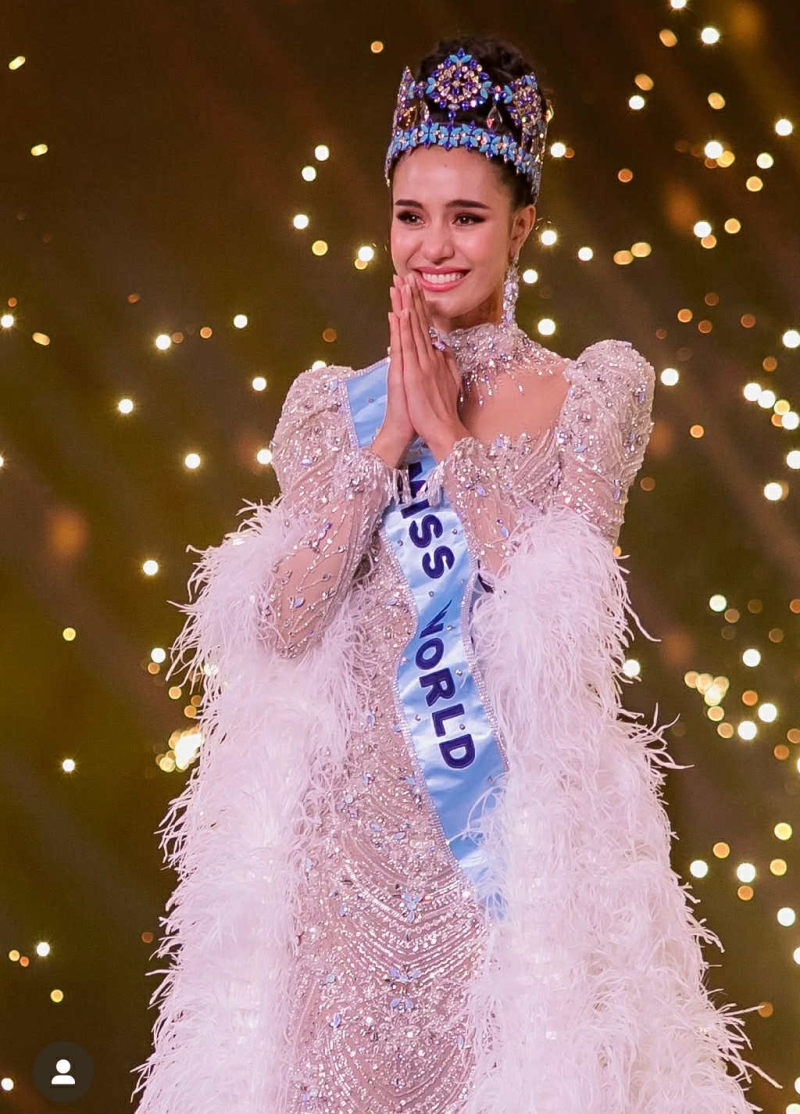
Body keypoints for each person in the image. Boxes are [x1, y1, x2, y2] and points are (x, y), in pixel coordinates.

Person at [130, 34, 778, 1114]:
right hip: (339, 864)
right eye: (410, 215)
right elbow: (281, 623)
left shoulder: (591, 393)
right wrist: (387, 441)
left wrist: (450, 439)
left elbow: (563, 621)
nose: (432, 246)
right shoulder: (327, 406)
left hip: (504, 857)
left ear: (522, 226)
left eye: (466, 217)